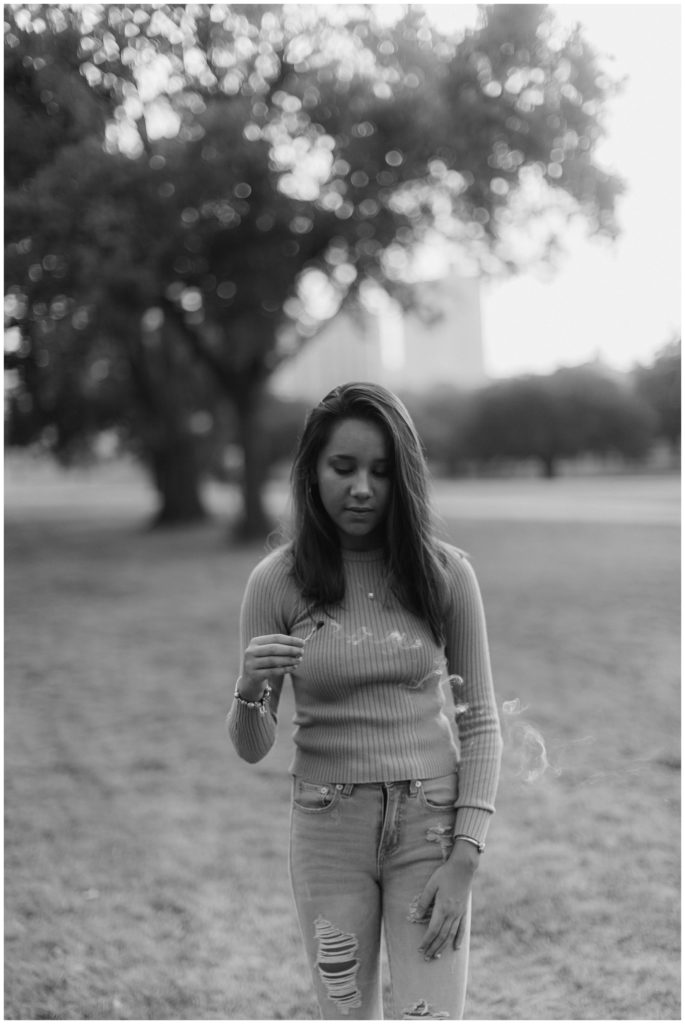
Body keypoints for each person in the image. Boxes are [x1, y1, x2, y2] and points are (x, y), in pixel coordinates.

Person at [227, 382, 502, 1020]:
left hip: (430, 827)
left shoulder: (446, 574)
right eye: (343, 467)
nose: (361, 489)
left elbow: (481, 720)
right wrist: (246, 692)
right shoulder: (276, 582)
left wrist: (466, 854)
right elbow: (251, 747)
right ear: (312, 472)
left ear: (403, 477)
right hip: (327, 830)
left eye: (381, 471)